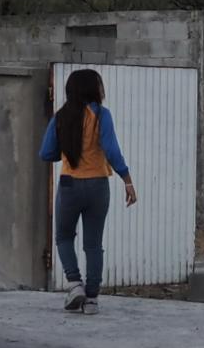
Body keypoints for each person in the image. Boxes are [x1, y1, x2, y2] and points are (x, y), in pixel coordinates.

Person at [38, 68, 135, 315]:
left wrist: (68, 148)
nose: (103, 89)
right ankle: (91, 300)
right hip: (98, 185)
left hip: (70, 183)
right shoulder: (102, 115)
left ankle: (74, 284)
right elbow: (112, 150)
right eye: (100, 85)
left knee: (63, 237)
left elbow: (46, 153)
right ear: (93, 89)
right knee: (93, 244)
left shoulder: (61, 116)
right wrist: (127, 180)